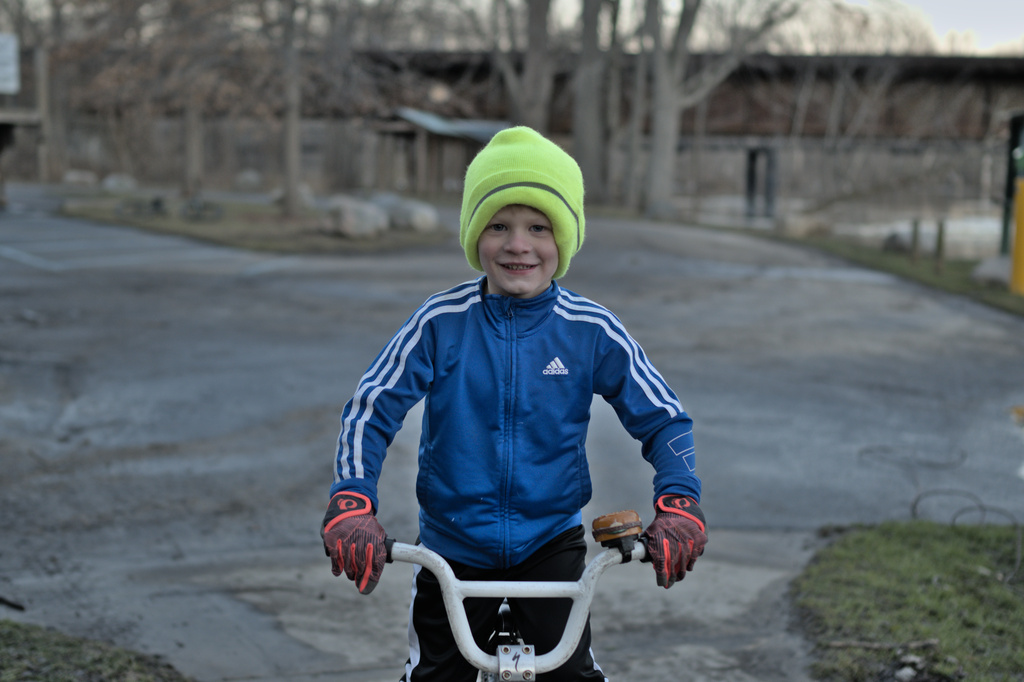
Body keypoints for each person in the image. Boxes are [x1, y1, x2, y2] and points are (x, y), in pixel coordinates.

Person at [321, 126, 707, 681]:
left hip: (550, 543)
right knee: (435, 676)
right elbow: (371, 409)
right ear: (474, 235)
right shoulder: (440, 322)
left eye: (538, 228)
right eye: (498, 225)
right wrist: (353, 500)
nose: (518, 245)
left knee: (569, 674)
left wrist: (679, 502)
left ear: (564, 240)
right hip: (452, 544)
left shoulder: (590, 329)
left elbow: (665, 419)